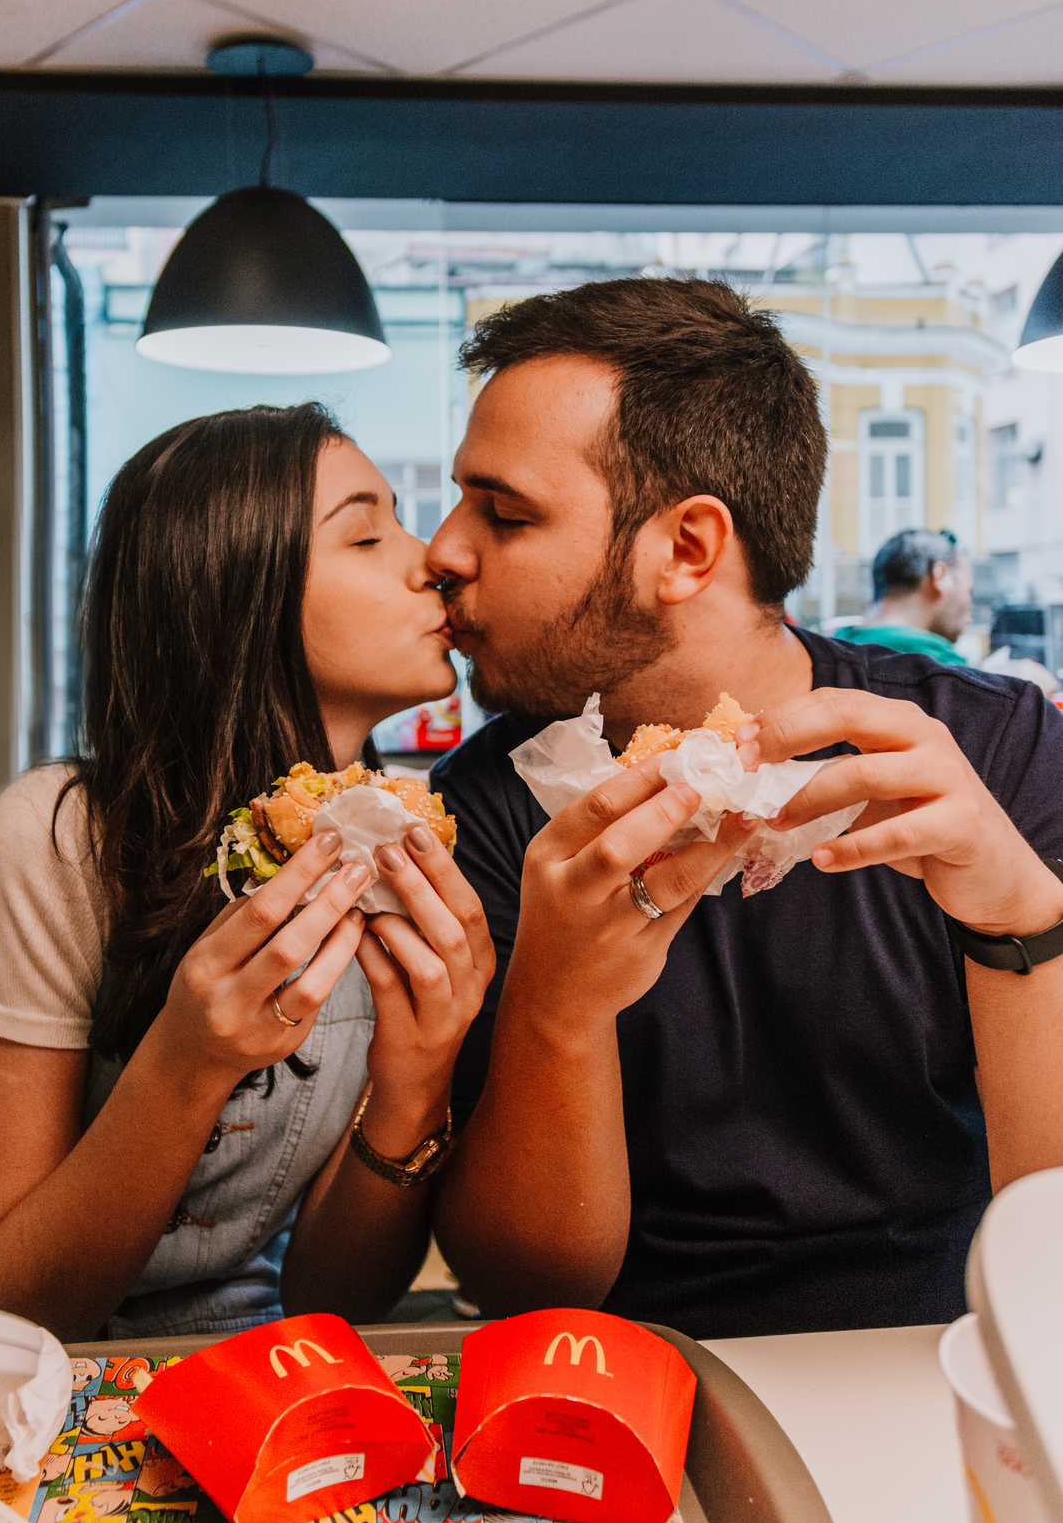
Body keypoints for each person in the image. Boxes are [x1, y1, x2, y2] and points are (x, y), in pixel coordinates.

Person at [426, 277, 1063, 1339]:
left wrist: (1018, 921)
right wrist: (556, 1011)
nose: (441, 550)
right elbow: (528, 1288)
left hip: (951, 1366)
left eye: (504, 513)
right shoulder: (494, 804)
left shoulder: (989, 749)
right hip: (633, 1384)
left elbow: (1048, 1234)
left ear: (687, 548)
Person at [0, 404, 493, 1340]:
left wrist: (416, 1081)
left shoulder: (414, 846)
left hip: (227, 1348)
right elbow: (1, 1308)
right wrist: (187, 1063)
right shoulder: (61, 838)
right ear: (238, 593)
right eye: (366, 534)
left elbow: (335, 1303)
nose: (431, 558)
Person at [835, 527, 972, 665]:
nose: (969, 619)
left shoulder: (830, 653)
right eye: (968, 592)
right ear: (940, 576)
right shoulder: (950, 672)